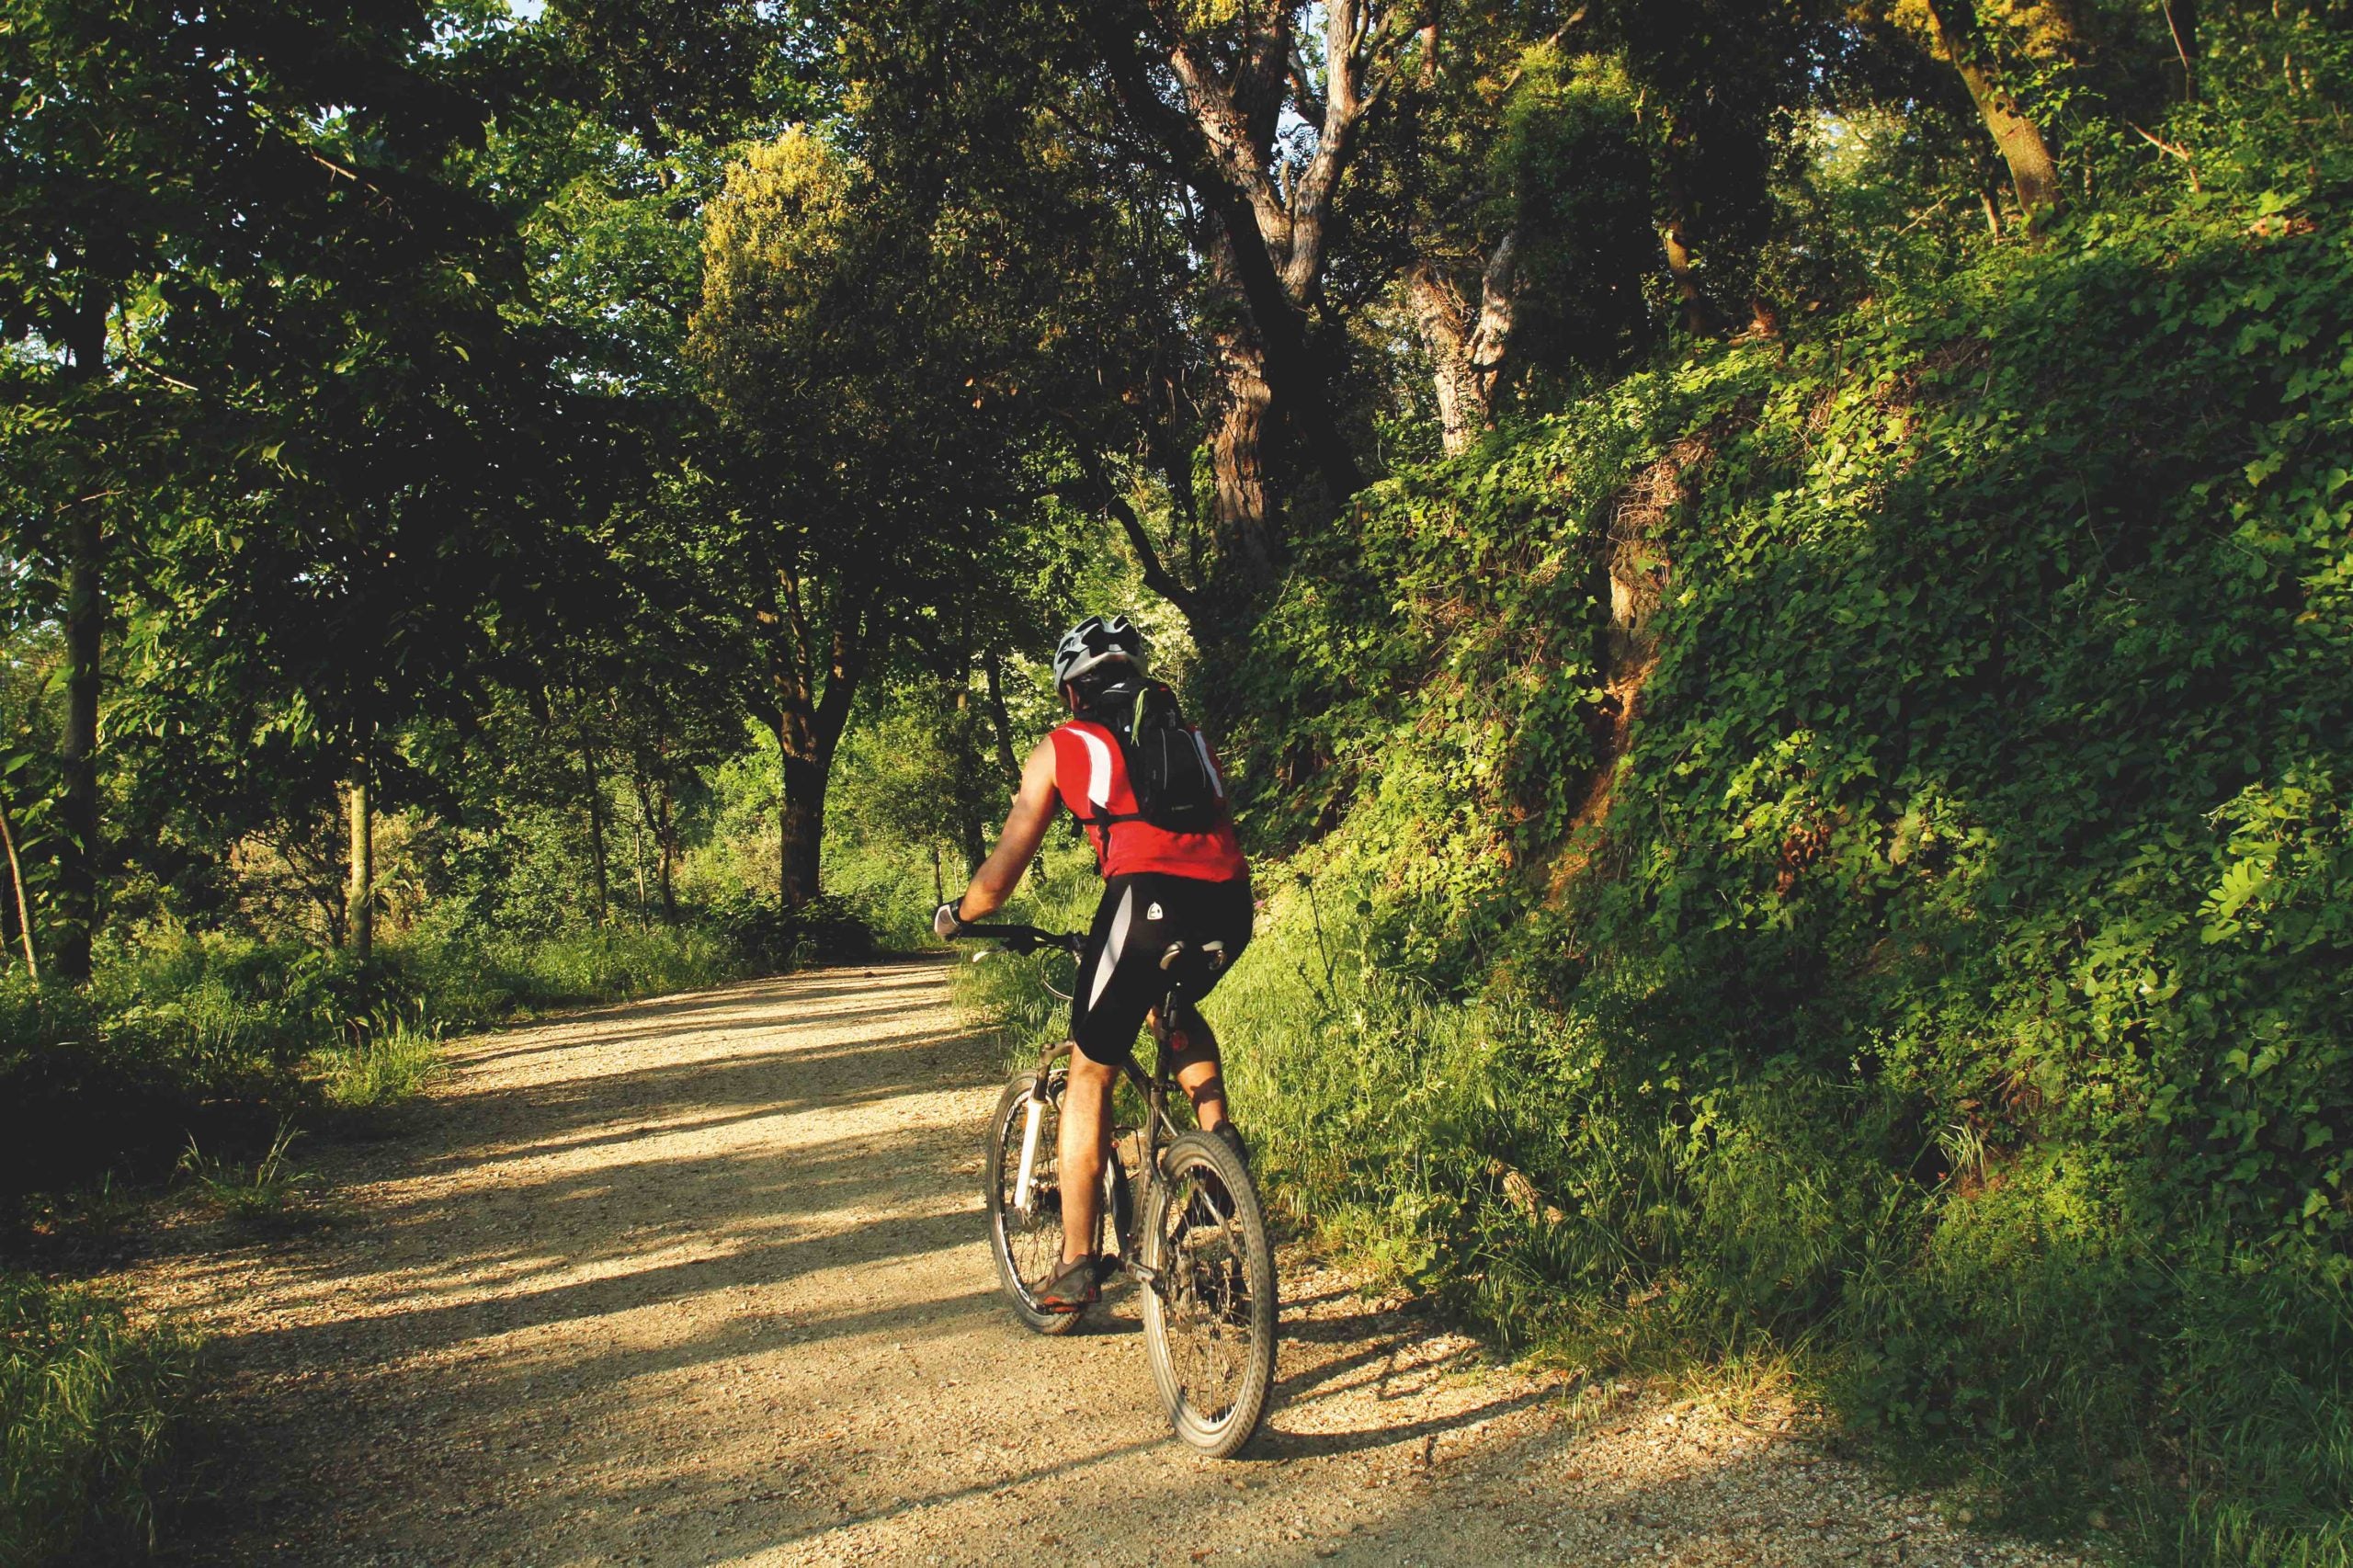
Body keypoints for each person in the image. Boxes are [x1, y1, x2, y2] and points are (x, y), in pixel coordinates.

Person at [935, 614, 1253, 1314]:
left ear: (1071, 694)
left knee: (1091, 1066)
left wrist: (959, 914)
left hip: (1145, 905)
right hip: (1232, 906)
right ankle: (1219, 1156)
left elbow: (997, 881)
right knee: (1172, 1009)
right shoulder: (1189, 737)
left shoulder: (1062, 747)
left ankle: (1078, 1263)